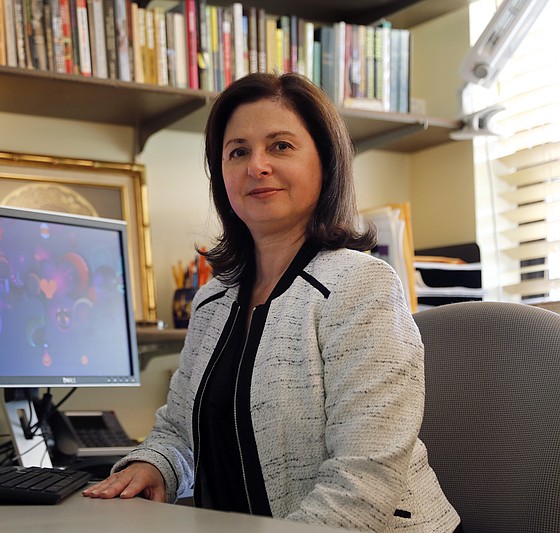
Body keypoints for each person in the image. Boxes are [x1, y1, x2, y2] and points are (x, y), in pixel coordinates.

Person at [82, 72, 460, 532]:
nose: (256, 166)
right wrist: (153, 466)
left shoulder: (362, 286)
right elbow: (178, 432)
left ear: (326, 161)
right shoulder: (213, 300)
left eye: (280, 146)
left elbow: (364, 479)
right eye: (238, 151)